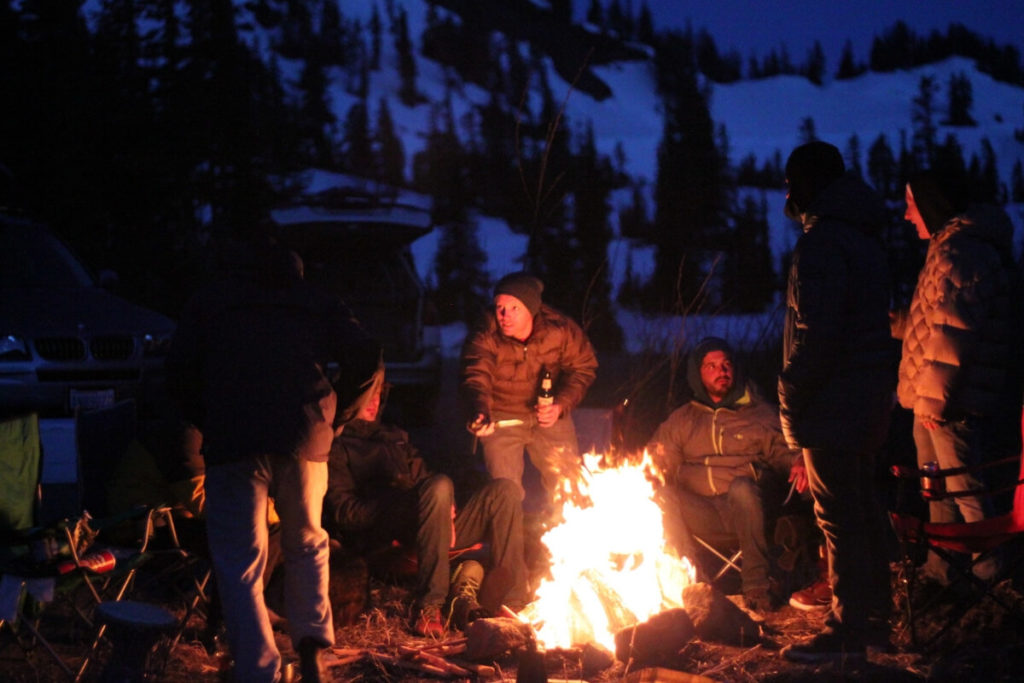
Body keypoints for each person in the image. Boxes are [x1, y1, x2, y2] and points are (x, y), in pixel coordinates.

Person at [165, 228, 381, 682]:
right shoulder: (316, 300)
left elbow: (179, 368)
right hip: (304, 436)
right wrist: (337, 414)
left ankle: (258, 668)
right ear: (294, 272)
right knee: (307, 543)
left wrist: (207, 416)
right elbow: (367, 354)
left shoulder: (211, 302)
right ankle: (311, 656)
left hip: (235, 438)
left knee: (241, 559)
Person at [776, 141, 897, 664]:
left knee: (839, 519)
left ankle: (848, 633)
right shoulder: (866, 238)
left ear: (807, 185)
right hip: (868, 398)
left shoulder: (823, 244)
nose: (787, 193)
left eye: (791, 183)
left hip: (833, 402)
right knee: (862, 510)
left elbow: (816, 337)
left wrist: (790, 394)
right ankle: (873, 617)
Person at [322, 373, 530, 636]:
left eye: (378, 394)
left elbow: (429, 482)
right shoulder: (338, 443)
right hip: (390, 534)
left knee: (505, 491)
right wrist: (402, 506)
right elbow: (345, 513)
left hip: (432, 526)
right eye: (368, 395)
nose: (374, 401)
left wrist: (448, 507)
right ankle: (430, 606)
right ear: (352, 398)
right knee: (439, 487)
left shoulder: (394, 436)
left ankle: (513, 605)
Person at [893, 169, 1021, 582]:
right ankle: (943, 573)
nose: (907, 215)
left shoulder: (960, 255)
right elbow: (935, 324)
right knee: (938, 491)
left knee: (966, 493)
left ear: (931, 206)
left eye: (911, 205)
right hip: (936, 401)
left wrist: (934, 404)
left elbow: (953, 336)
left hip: (950, 404)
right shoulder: (949, 251)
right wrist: (895, 323)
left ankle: (992, 579)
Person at [646, 337, 805, 613]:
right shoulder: (684, 420)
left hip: (746, 511)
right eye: (711, 366)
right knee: (660, 495)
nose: (722, 371)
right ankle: (693, 584)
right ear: (698, 374)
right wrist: (642, 479)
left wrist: (800, 461)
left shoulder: (758, 414)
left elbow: (784, 452)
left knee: (742, 487)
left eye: (726, 364)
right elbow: (655, 461)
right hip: (700, 512)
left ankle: (756, 586)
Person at [460, 272, 598, 514]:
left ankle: (568, 543)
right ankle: (509, 544)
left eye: (514, 308)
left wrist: (560, 405)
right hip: (501, 416)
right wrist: (480, 411)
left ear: (532, 309)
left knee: (569, 483)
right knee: (505, 491)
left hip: (548, 413)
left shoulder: (560, 329)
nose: (504, 316)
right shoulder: (486, 334)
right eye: (500, 307)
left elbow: (583, 367)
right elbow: (476, 376)